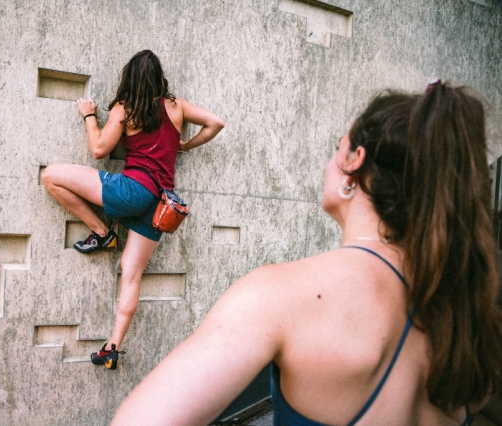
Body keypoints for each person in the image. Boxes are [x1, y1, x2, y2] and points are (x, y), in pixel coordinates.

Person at [111, 81, 502, 424]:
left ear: (354, 162)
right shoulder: (465, 315)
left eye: (338, 148)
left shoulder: (283, 294)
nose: (331, 160)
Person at [41, 50, 224, 370]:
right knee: (131, 274)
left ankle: (101, 233)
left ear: (128, 78)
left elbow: (99, 150)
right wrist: (185, 145)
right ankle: (111, 348)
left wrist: (88, 115)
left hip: (133, 190)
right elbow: (215, 122)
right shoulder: (176, 106)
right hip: (160, 204)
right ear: (159, 78)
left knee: (50, 176)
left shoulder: (125, 109)